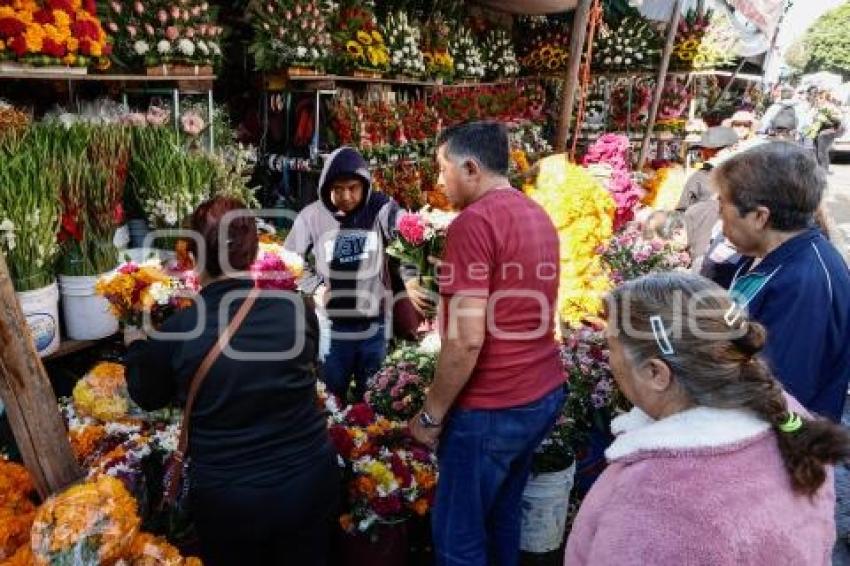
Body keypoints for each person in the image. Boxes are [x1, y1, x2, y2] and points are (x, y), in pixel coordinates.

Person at [564, 272, 850, 565]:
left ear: (655, 373)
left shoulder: (655, 502)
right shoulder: (789, 418)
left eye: (611, 348)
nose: (609, 359)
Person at [125, 197, 338, 565]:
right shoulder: (298, 309)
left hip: (231, 499)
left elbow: (146, 395)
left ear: (191, 256)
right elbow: (303, 368)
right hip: (308, 480)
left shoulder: (179, 330)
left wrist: (136, 345)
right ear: (254, 250)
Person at [409, 121, 564, 565]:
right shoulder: (534, 212)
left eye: (442, 168)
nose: (438, 181)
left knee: (458, 537)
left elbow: (464, 341)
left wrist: (431, 414)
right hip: (540, 393)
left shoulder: (473, 224)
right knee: (501, 516)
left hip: (493, 407)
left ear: (471, 167)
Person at [713, 142, 850, 421]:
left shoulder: (805, 283)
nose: (719, 218)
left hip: (780, 448)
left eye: (722, 206)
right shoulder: (761, 256)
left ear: (760, 217)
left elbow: (779, 392)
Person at [284, 146, 420, 401]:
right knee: (331, 395)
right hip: (333, 327)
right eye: (338, 189)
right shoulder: (311, 216)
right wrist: (315, 287)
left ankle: (372, 436)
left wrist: (409, 231)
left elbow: (401, 226)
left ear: (365, 185)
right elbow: (289, 260)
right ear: (326, 187)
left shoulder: (379, 207)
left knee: (374, 396)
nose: (346, 195)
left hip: (374, 325)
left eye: (353, 188)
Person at [675, 126, 738, 211]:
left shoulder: (699, 177)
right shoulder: (751, 174)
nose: (704, 154)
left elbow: (682, 212)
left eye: (711, 151)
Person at [806, 90, 844, 173]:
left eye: (820, 98)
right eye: (817, 98)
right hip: (818, 131)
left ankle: (824, 169)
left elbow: (838, 120)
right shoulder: (818, 107)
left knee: (822, 151)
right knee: (816, 150)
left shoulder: (829, 107)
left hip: (827, 131)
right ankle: (818, 168)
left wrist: (825, 120)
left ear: (825, 99)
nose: (818, 99)